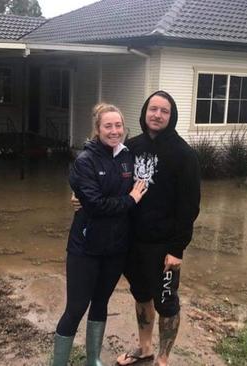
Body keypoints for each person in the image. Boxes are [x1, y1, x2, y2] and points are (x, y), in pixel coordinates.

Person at [51, 103, 148, 366]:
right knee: (75, 309)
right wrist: (129, 200)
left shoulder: (128, 157)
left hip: (115, 248)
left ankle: (92, 359)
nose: (114, 131)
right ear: (97, 129)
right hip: (85, 248)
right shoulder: (86, 160)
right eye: (108, 126)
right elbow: (95, 205)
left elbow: (143, 185)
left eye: (118, 126)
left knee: (101, 302)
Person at [116, 91, 201, 366]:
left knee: (166, 303)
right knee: (141, 295)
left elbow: (190, 207)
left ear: (171, 116)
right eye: (153, 109)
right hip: (133, 242)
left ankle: (163, 359)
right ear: (144, 112)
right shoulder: (130, 147)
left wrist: (177, 249)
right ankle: (145, 349)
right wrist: (81, 196)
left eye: (164, 111)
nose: (157, 115)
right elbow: (112, 185)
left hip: (165, 246)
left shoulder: (184, 154)